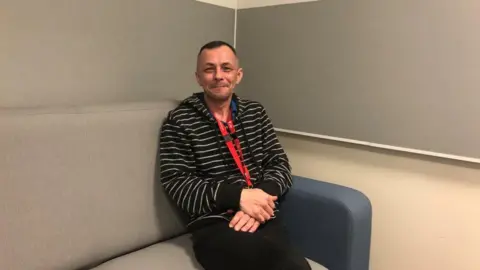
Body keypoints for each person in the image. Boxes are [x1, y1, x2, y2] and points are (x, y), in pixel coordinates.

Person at [158, 40, 311, 270]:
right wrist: (238, 197)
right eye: (209, 69)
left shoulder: (255, 113)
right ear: (198, 77)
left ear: (238, 75)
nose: (219, 75)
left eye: (226, 68)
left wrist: (261, 197)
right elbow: (177, 183)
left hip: (263, 214)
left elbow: (279, 163)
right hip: (214, 225)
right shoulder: (179, 121)